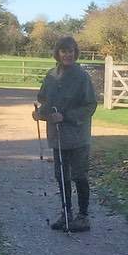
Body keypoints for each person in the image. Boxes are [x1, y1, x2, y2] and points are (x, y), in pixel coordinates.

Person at [34, 36, 98, 233]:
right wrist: (40, 113)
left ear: (75, 53)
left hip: (78, 135)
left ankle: (83, 216)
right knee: (61, 176)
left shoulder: (82, 76)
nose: (67, 54)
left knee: (79, 175)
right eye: (64, 51)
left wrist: (67, 116)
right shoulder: (51, 75)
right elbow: (45, 100)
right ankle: (66, 214)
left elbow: (90, 105)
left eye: (71, 51)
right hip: (57, 136)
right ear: (58, 53)